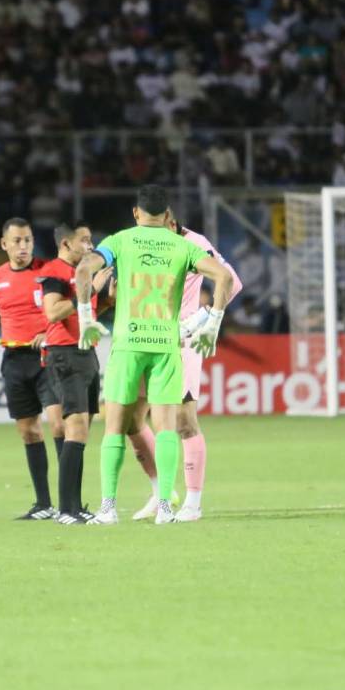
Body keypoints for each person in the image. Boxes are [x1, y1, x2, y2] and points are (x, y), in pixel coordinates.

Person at [75, 185, 235, 525]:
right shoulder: (182, 245)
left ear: (136, 213)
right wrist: (212, 324)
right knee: (165, 429)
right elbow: (224, 277)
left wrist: (86, 318)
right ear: (167, 216)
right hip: (166, 345)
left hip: (128, 345)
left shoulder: (120, 240)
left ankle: (107, 509)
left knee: (115, 427)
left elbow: (83, 270)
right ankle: (165, 507)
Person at [124, 216, 243, 522]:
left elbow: (232, 281)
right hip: (146, 337)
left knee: (183, 419)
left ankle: (193, 502)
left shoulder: (196, 243)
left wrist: (205, 319)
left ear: (170, 222)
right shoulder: (144, 242)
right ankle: (161, 491)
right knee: (130, 420)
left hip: (182, 340)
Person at [0, 218, 64, 520]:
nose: (23, 247)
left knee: (59, 424)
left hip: (47, 356)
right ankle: (44, 504)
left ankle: (69, 503)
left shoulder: (48, 272)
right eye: (17, 241)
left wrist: (48, 334)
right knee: (29, 431)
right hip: (14, 360)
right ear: (4, 244)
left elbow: (64, 311)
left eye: (28, 240)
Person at [38, 221, 112, 524]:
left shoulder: (82, 273)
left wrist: (107, 300)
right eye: (84, 240)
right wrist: (91, 288)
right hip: (65, 354)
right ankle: (66, 510)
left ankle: (76, 506)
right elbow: (53, 312)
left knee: (83, 430)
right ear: (65, 244)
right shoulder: (56, 272)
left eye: (91, 239)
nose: (90, 245)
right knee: (76, 428)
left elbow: (89, 313)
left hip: (86, 352)